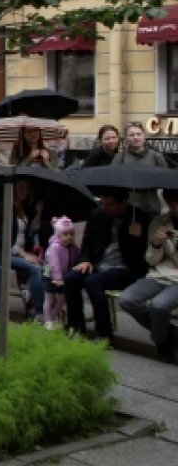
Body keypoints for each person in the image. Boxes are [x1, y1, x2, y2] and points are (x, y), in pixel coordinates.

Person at [64, 188, 152, 341]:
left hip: (126, 268)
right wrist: (85, 259)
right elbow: (87, 243)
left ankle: (104, 333)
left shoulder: (140, 219)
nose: (105, 208)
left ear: (123, 203)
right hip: (99, 263)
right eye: (103, 204)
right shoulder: (98, 215)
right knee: (72, 278)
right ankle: (76, 327)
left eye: (109, 205)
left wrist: (137, 238)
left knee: (93, 282)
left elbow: (143, 258)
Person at [118, 189, 178, 361]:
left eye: (175, 203)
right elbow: (151, 261)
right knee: (127, 300)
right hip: (159, 274)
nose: (173, 208)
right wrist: (156, 244)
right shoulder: (160, 222)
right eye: (170, 203)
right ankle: (169, 333)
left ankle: (162, 344)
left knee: (159, 305)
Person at [0, 178, 47, 319]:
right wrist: (23, 254)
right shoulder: (5, 206)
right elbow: (2, 238)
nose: (25, 192)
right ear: (13, 189)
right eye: (21, 188)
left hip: (23, 252)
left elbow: (31, 231)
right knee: (35, 269)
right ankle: (40, 313)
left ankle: (33, 302)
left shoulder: (26, 207)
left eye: (27, 189)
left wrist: (38, 214)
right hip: (7, 251)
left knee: (44, 268)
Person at [112, 121, 170, 215]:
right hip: (128, 206)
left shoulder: (156, 156)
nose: (135, 137)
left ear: (144, 136)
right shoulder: (120, 157)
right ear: (126, 138)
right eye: (131, 135)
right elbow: (113, 179)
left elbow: (165, 179)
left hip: (151, 206)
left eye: (139, 134)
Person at [43, 216, 80, 331]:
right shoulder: (55, 247)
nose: (69, 237)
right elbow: (54, 263)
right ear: (58, 235)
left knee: (63, 297)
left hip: (64, 277)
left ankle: (54, 316)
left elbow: (76, 260)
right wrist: (57, 277)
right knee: (49, 297)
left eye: (71, 234)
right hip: (50, 275)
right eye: (65, 234)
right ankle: (48, 320)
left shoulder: (73, 247)